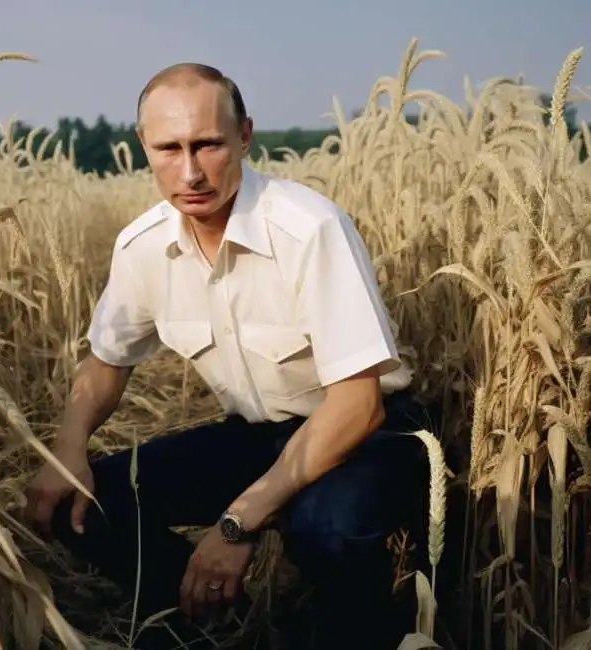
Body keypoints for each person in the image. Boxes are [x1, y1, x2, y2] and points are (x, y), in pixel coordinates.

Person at [26, 63, 431, 649]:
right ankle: (209, 620)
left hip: (368, 438)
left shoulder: (307, 229)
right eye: (169, 149)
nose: (190, 172)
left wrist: (235, 523)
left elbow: (358, 405)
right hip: (256, 435)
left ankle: (365, 633)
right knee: (82, 504)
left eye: (208, 144)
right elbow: (105, 363)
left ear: (244, 135)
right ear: (144, 146)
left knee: (327, 529)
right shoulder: (143, 246)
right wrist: (67, 450)